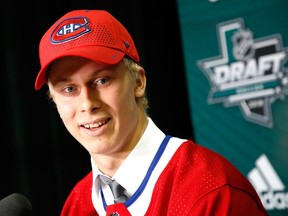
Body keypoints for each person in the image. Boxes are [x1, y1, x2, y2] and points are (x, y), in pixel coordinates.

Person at [34, 9, 268, 216]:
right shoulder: (77, 203)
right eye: (69, 89)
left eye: (102, 80)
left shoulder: (211, 191)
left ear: (138, 82)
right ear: (54, 100)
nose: (87, 103)